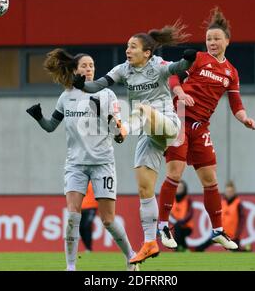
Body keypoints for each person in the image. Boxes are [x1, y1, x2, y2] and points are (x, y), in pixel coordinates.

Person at [72, 20, 197, 264]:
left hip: (168, 123)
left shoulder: (157, 65)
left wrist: (188, 60)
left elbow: (178, 67)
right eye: (127, 46)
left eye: (132, 47)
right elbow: (99, 84)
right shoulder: (123, 69)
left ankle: (123, 130)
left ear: (147, 52)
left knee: (141, 108)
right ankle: (150, 242)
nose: (127, 50)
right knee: (144, 187)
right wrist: (83, 86)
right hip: (147, 132)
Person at [26, 50, 138, 271]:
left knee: (108, 220)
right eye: (84, 65)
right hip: (75, 164)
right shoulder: (66, 96)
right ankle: (70, 267)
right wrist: (39, 117)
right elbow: (51, 127)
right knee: (72, 216)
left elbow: (120, 134)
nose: (89, 68)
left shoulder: (106, 95)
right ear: (75, 70)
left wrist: (114, 127)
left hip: (102, 162)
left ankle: (131, 257)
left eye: (92, 65)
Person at [157, 7, 255, 251]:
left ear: (227, 42)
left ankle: (218, 230)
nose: (212, 43)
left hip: (201, 126)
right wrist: (179, 91)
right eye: (209, 39)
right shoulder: (199, 59)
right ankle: (162, 225)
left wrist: (244, 118)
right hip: (179, 118)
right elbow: (174, 77)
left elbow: (236, 104)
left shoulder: (231, 72)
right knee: (175, 173)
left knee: (210, 179)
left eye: (216, 39)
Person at [195, 180, 248, 252]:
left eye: (231, 191)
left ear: (234, 192)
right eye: (228, 191)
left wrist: (238, 233)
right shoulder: (222, 202)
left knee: (237, 251)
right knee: (202, 246)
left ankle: (247, 250)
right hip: (221, 232)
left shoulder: (238, 204)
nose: (229, 193)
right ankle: (196, 250)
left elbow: (242, 220)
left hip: (233, 235)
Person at [169, 180, 193, 252]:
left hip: (187, 226)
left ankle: (177, 247)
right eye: (178, 187)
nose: (179, 189)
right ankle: (183, 248)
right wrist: (175, 221)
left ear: (184, 189)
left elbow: (190, 213)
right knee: (177, 228)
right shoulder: (172, 199)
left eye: (181, 187)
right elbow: (169, 214)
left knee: (179, 229)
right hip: (176, 225)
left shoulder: (188, 199)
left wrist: (182, 221)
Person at [80, 182, 98, 252]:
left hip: (92, 207)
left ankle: (89, 248)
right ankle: (87, 247)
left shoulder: (95, 181)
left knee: (87, 226)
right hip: (82, 208)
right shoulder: (83, 181)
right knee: (81, 228)